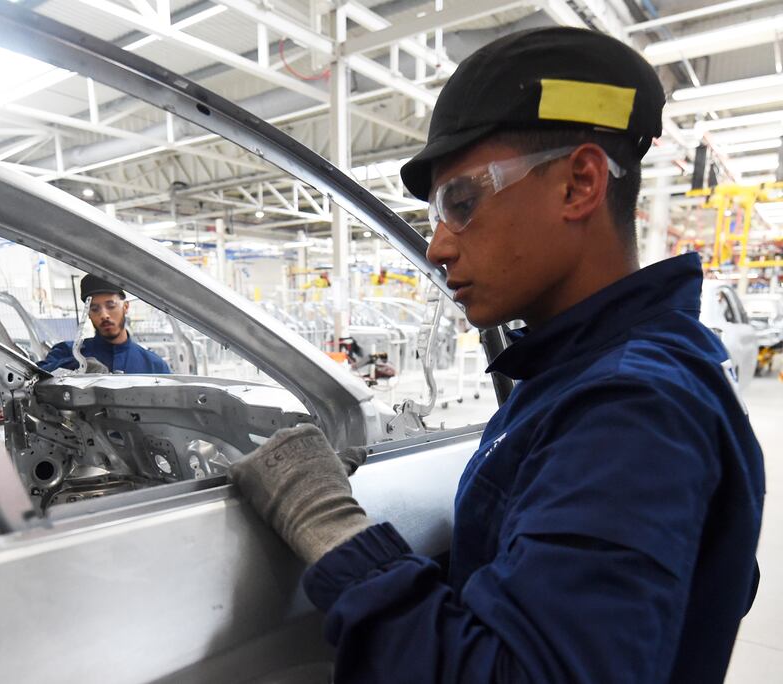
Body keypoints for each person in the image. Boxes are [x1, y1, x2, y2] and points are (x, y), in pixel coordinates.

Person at [230, 28, 764, 683]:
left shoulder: (630, 410)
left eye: (462, 202)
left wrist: (332, 528)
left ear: (579, 184)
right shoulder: (585, 378)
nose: (438, 247)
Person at [39, 274, 171, 374]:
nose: (104, 315)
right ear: (88, 314)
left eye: (111, 306)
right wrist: (77, 364)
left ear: (125, 307)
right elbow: (35, 375)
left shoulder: (154, 366)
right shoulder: (67, 352)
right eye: (95, 309)